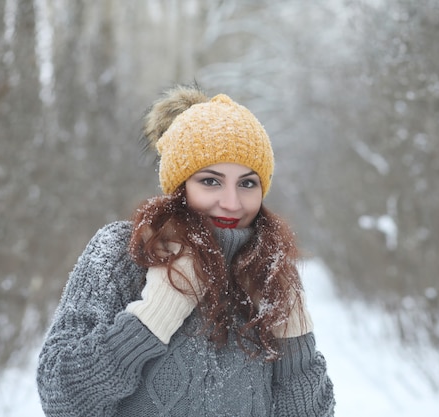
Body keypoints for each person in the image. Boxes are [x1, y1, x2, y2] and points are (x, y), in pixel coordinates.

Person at [36, 85, 335, 416]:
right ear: (179, 185)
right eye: (210, 181)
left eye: (247, 183)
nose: (231, 202)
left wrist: (296, 341)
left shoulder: (269, 269)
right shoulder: (121, 253)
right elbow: (60, 398)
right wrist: (149, 320)